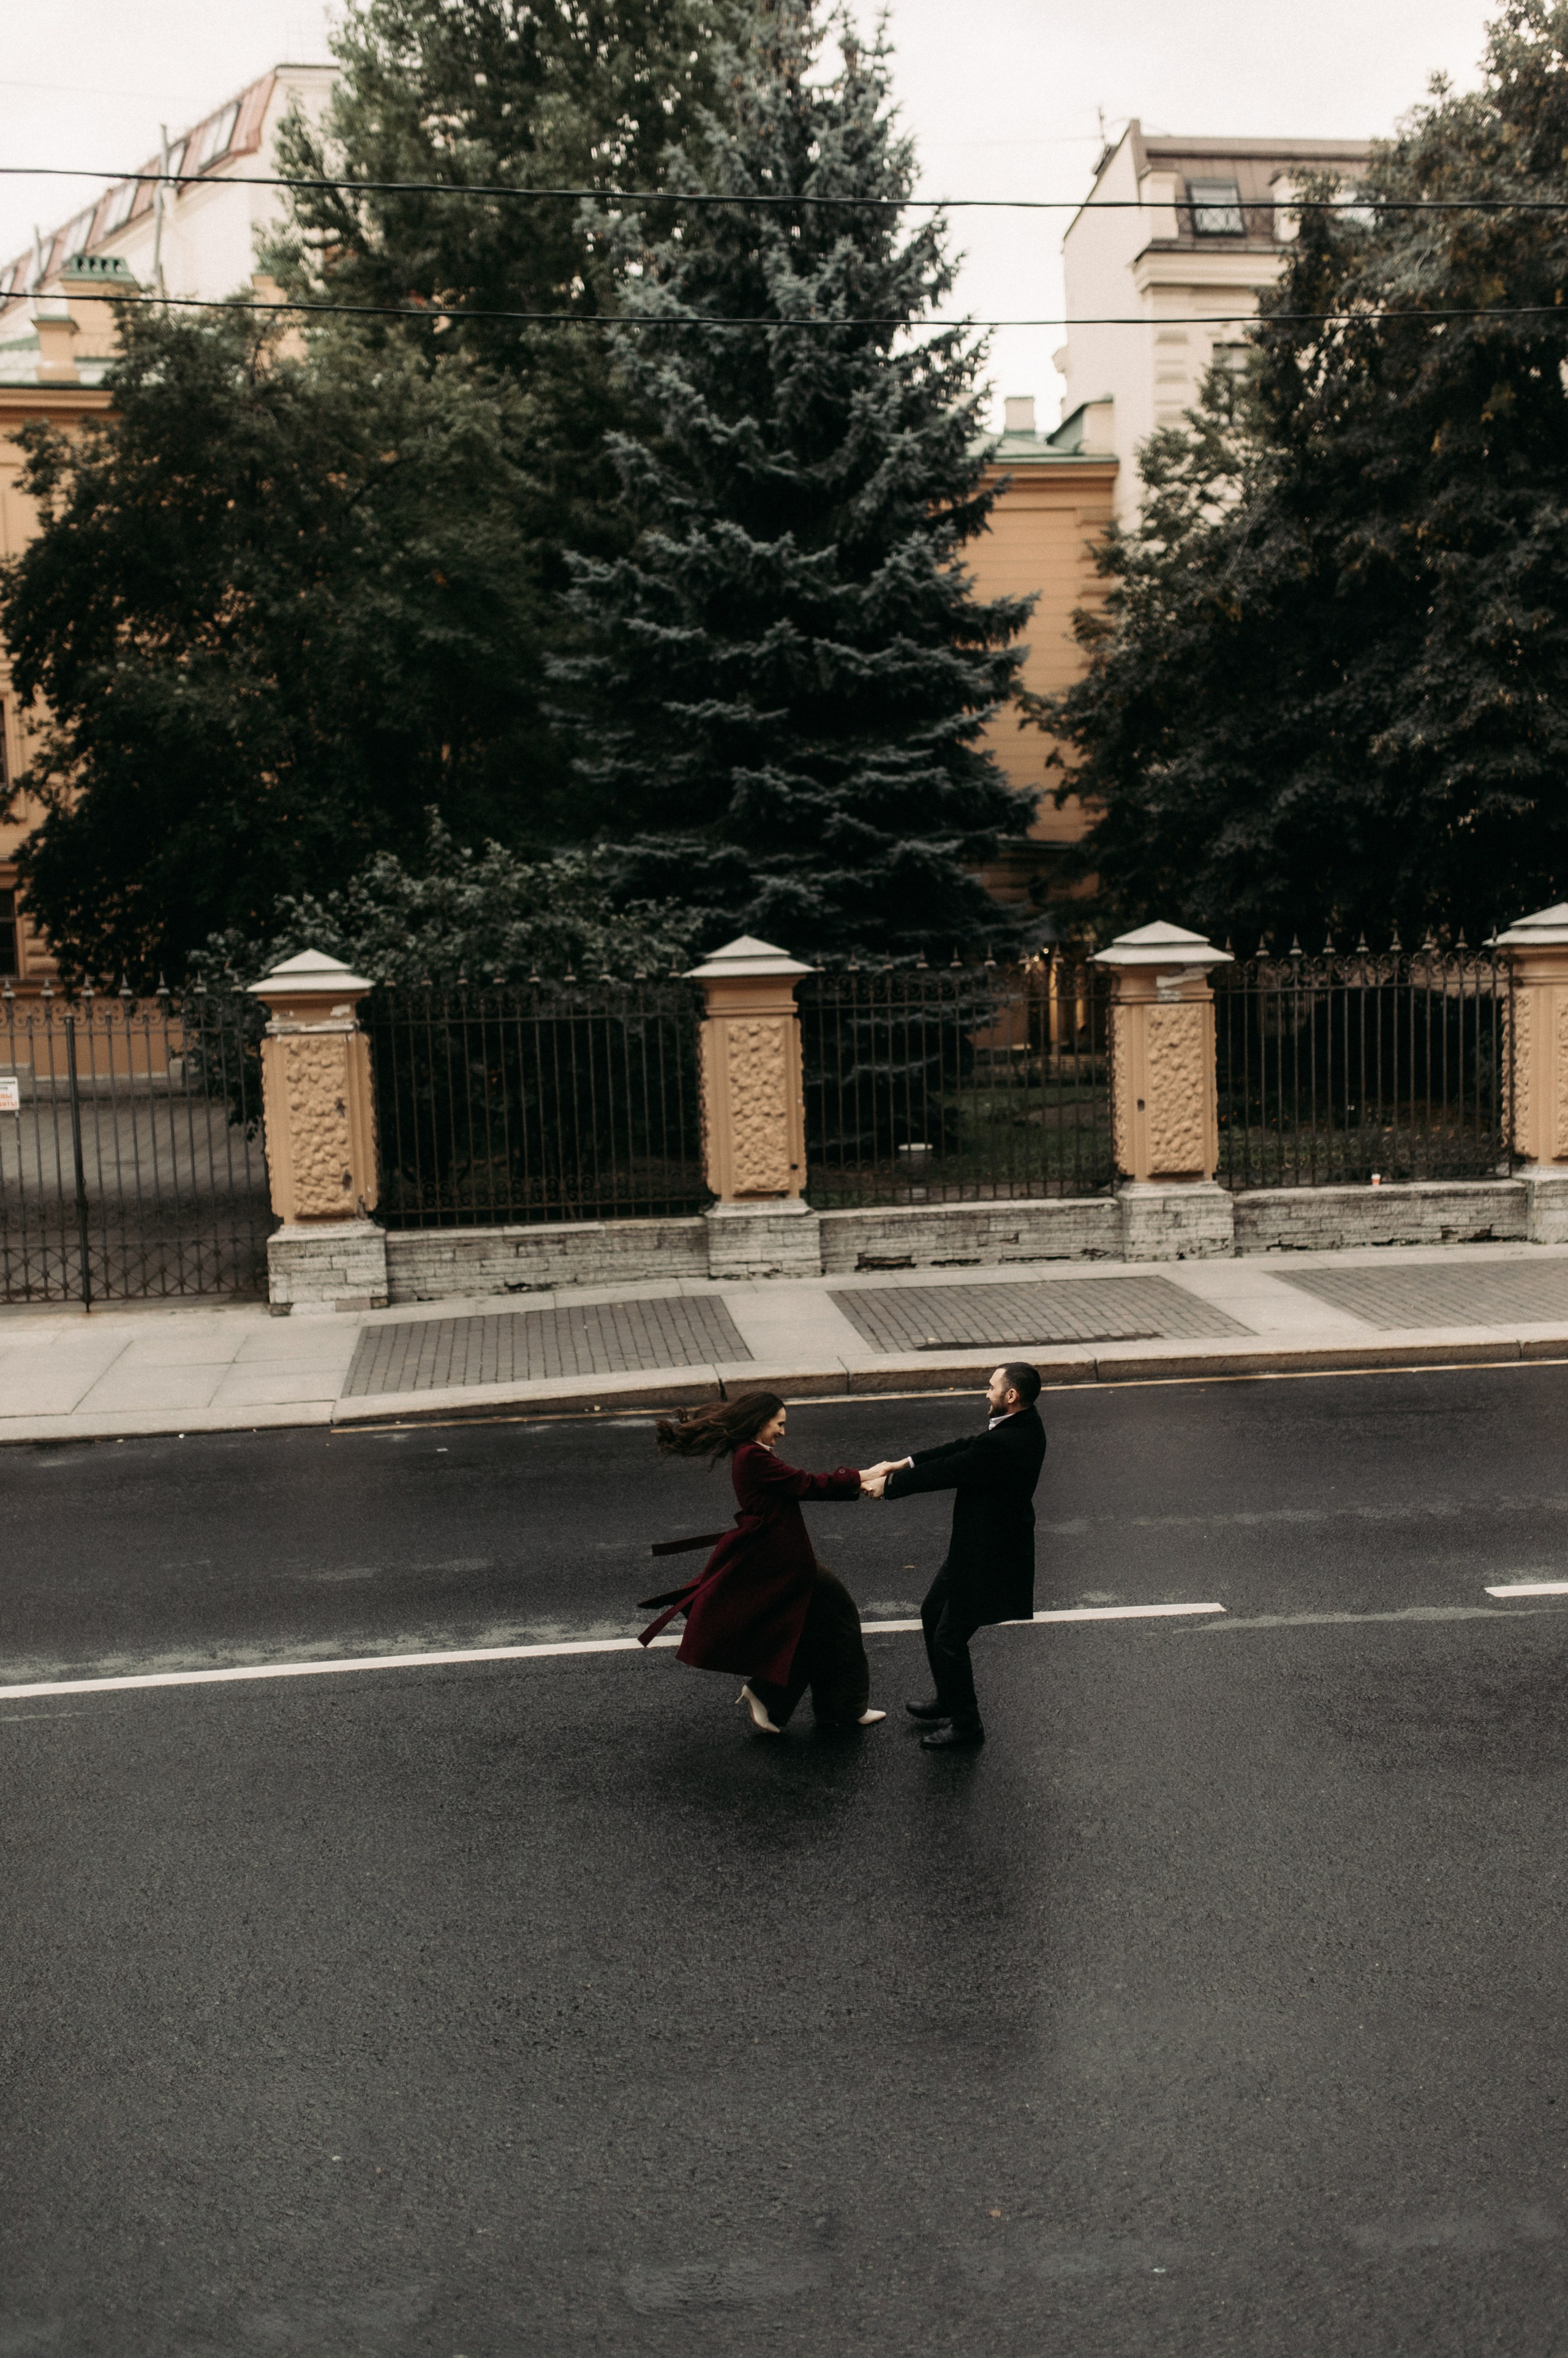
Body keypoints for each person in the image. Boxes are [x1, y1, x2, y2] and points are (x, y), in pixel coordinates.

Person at [638, 1391, 888, 1737]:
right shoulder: (753, 1458)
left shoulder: (750, 1454)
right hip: (783, 1560)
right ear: (760, 1421)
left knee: (813, 1631)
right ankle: (839, 1707)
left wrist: (857, 1480)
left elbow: (802, 1485)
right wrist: (862, 1475)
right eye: (780, 1424)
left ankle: (788, 1698)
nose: (783, 1432)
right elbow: (806, 1484)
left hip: (781, 1557)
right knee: (841, 1617)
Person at [861, 1362, 1046, 1751]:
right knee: (932, 1611)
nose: (986, 1392)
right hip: (974, 1548)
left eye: (992, 1387)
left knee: (949, 1636)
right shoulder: (1020, 1426)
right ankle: (949, 1698)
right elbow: (963, 1448)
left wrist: (890, 1486)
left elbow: (950, 1470)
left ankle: (966, 1723)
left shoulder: (1007, 1442)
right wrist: (902, 1463)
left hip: (988, 1555)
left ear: (1011, 1397)